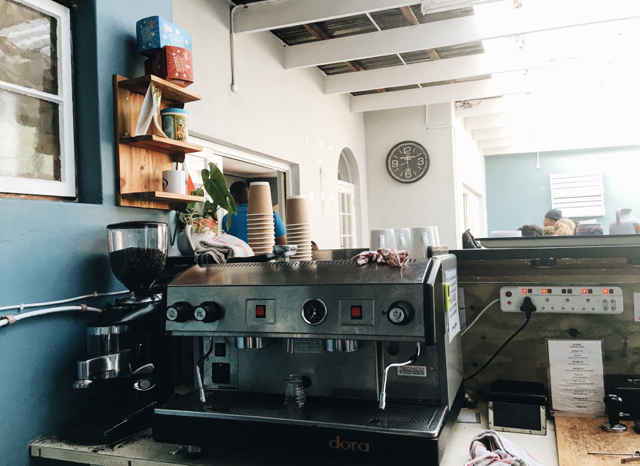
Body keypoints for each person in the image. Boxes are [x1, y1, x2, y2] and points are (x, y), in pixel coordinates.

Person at [222, 181, 287, 245]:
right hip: (266, 252)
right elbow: (283, 244)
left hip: (240, 252)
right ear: (251, 194)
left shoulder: (226, 219)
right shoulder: (271, 214)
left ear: (232, 198)